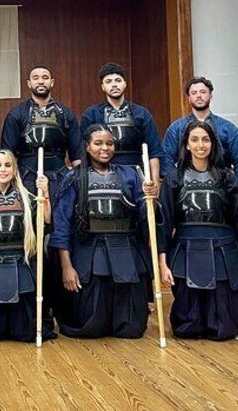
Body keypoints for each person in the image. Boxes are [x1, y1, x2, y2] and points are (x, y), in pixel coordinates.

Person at [49, 124, 160, 339]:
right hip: (89, 255)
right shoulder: (74, 178)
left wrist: (151, 198)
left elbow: (147, 218)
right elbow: (61, 225)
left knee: (131, 329)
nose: (105, 148)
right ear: (87, 147)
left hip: (126, 252)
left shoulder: (131, 175)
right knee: (92, 327)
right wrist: (66, 266)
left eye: (109, 143)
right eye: (98, 143)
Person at [158, 121, 238, 340]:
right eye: (194, 139)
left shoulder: (228, 177)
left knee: (226, 327)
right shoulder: (174, 178)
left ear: (213, 144)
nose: (200, 145)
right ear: (186, 144)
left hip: (223, 249)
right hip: (185, 249)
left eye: (205, 139)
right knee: (187, 326)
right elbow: (164, 223)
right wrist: (162, 262)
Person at [0, 149, 56, 342]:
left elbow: (46, 224)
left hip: (21, 268)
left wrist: (45, 193)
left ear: (14, 170)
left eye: (7, 165)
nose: (3, 169)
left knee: (24, 334)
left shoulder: (29, 198)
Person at [0, 65, 81, 197]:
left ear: (52, 82)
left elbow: (77, 155)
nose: (41, 81)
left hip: (59, 175)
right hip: (25, 176)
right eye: (36, 78)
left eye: (45, 77)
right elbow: (8, 154)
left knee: (58, 216)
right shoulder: (16, 114)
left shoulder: (66, 114)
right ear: (29, 83)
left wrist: (79, 183)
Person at [81, 62, 162, 176]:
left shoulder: (142, 113)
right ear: (103, 87)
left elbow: (154, 150)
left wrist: (155, 181)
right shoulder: (91, 114)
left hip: (137, 175)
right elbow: (83, 152)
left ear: (125, 84)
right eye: (108, 81)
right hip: (102, 174)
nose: (114, 85)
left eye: (118, 80)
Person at [161, 76, 238, 181]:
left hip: (222, 186)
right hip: (186, 186)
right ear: (189, 98)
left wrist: (235, 186)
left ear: (211, 96)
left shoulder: (228, 129)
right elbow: (166, 160)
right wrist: (176, 183)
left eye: (203, 92)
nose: (199, 96)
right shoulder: (176, 129)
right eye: (194, 93)